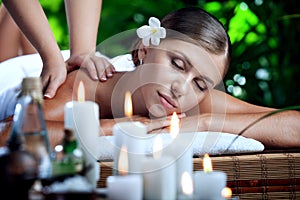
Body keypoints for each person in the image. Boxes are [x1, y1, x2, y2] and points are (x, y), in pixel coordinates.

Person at [0, 7, 299, 149]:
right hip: (26, 75)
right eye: (177, 64)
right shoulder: (88, 84)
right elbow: (10, 134)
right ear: (145, 48)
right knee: (11, 19)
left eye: (200, 83)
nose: (181, 87)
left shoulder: (189, 99)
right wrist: (116, 128)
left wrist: (205, 122)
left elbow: (294, 124)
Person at [0, 0, 115, 99]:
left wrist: (81, 52)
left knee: (8, 15)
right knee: (9, 15)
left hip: (40, 65)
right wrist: (53, 59)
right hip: (40, 65)